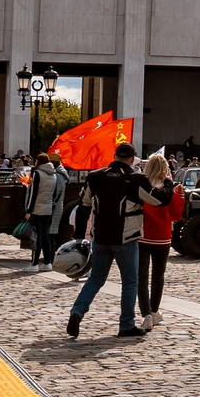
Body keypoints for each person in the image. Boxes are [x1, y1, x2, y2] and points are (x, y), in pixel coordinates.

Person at [65, 141, 148, 340]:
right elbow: (159, 200)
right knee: (130, 281)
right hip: (125, 238)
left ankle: (77, 312)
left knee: (95, 279)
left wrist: (79, 236)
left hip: (100, 237)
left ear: (114, 156)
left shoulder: (96, 176)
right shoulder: (135, 178)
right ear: (132, 158)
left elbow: (83, 206)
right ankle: (126, 324)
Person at [138, 153, 181, 331]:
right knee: (158, 276)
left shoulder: (142, 187)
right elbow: (176, 216)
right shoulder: (170, 190)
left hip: (143, 235)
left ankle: (146, 313)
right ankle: (155, 310)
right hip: (162, 236)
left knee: (141, 276)